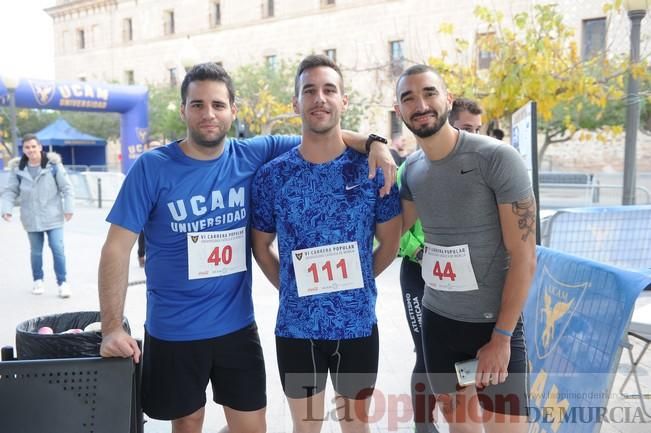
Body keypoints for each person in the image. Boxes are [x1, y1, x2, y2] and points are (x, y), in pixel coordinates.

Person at [97, 62, 396, 433]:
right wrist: (111, 328)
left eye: (218, 105)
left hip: (236, 327)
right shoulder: (152, 167)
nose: (209, 114)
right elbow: (116, 249)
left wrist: (375, 143)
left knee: (254, 427)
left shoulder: (253, 153)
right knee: (188, 422)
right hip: (174, 329)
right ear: (183, 110)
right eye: (198, 104)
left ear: (232, 111)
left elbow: (322, 132)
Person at [251, 54, 402, 433]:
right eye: (310, 90)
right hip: (297, 330)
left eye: (329, 89)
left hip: (357, 326)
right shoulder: (273, 176)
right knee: (307, 429)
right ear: (296, 104)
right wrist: (289, 287)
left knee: (356, 426)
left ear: (343, 101)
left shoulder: (373, 170)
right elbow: (261, 246)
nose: (320, 98)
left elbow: (390, 241)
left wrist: (360, 279)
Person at [395, 65, 536, 433]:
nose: (420, 104)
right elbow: (390, 231)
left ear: (448, 99)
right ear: (399, 111)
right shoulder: (411, 170)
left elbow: (524, 257)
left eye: (429, 93)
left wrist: (502, 337)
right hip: (438, 324)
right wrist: (372, 145)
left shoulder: (496, 159)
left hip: (494, 328)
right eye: (408, 98)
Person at [1, 133, 74, 298]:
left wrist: (68, 208)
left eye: (34, 146)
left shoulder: (53, 165)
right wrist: (6, 209)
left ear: (40, 147)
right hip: (31, 217)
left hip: (53, 216)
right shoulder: (18, 168)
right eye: (27, 147)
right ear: (24, 149)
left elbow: (67, 188)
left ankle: (62, 283)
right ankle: (38, 281)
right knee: (36, 252)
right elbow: (11, 190)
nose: (31, 150)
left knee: (57, 249)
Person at [136, 138, 162, 268]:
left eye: (156, 146)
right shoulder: (143, 164)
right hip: (147, 208)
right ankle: (141, 255)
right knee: (143, 232)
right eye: (152, 146)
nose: (154, 148)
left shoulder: (166, 164)